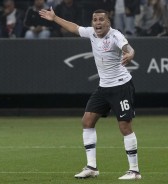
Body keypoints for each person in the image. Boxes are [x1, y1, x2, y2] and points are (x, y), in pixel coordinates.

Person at [39, 7, 141, 180]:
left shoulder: (115, 35)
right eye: (95, 20)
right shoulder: (91, 33)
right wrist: (55, 17)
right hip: (103, 87)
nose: (98, 23)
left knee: (125, 126)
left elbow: (128, 48)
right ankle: (91, 167)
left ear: (108, 22)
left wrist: (130, 54)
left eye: (101, 19)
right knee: (87, 122)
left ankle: (134, 171)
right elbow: (74, 28)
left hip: (121, 86)